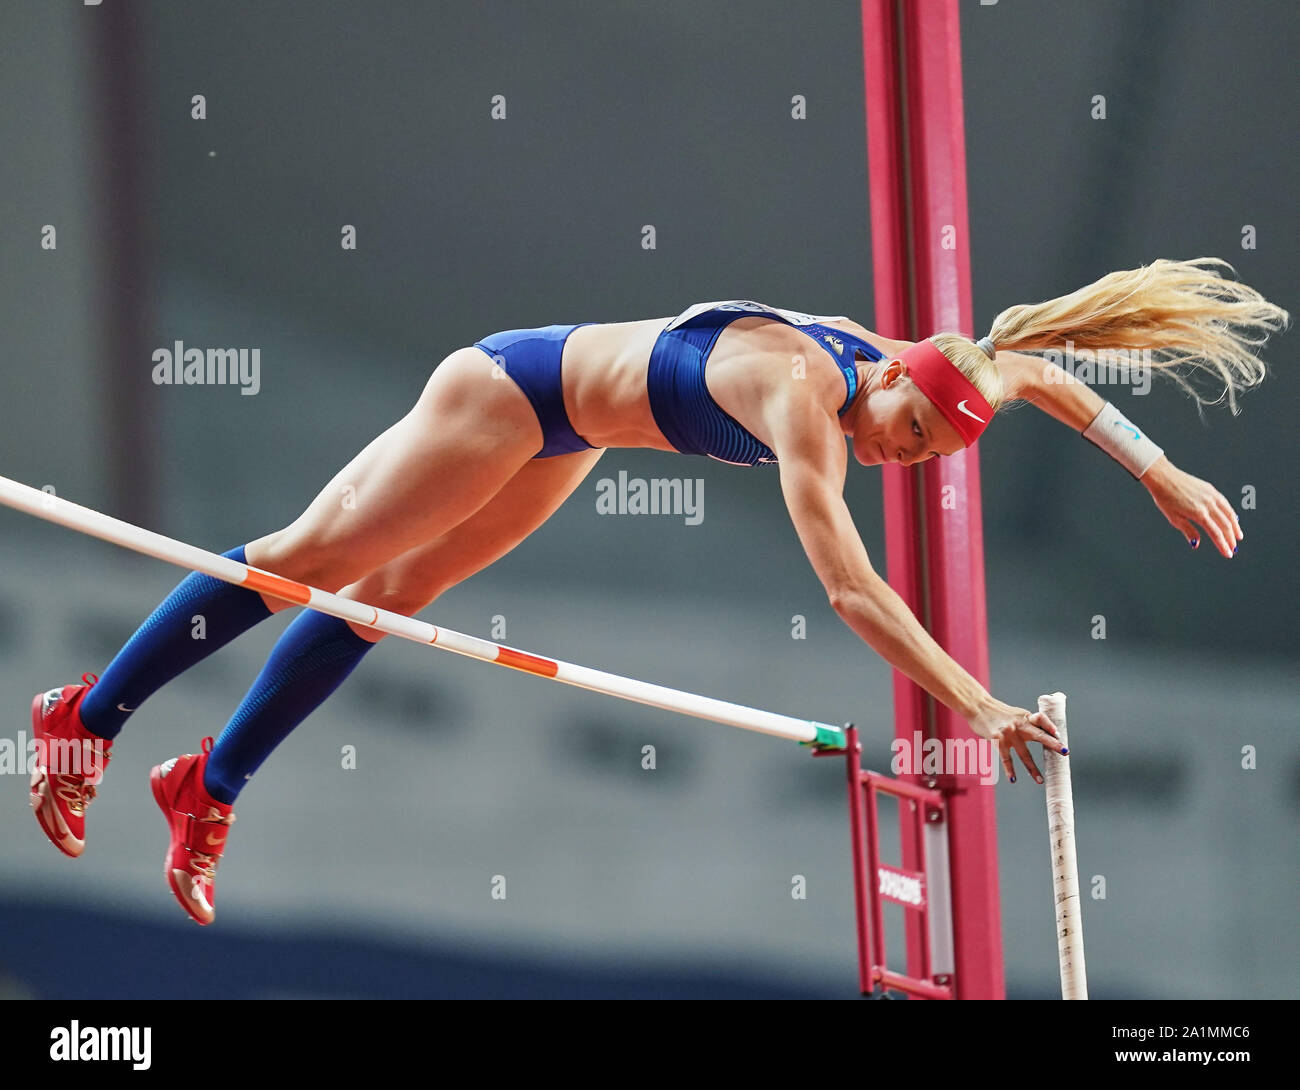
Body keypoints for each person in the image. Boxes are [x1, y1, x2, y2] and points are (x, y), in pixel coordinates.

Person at [27, 257, 1287, 925]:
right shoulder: (805, 396)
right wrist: (977, 700)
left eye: (925, 458)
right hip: (510, 392)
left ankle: (210, 783)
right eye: (903, 437)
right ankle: (85, 718)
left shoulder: (956, 377)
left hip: (570, 439)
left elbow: (1045, 373)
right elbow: (848, 589)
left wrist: (1158, 465)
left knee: (382, 599)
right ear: (895, 379)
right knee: (309, 559)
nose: (898, 455)